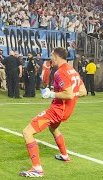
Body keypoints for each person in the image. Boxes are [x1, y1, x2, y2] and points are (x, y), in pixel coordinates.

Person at [20, 47, 87, 177]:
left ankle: (37, 168)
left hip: (57, 110)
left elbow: (68, 95)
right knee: (53, 128)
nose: (50, 58)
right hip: (66, 111)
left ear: (56, 57)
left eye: (51, 55)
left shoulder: (60, 72)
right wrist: (70, 93)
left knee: (27, 132)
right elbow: (84, 91)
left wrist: (51, 94)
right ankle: (64, 155)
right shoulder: (73, 71)